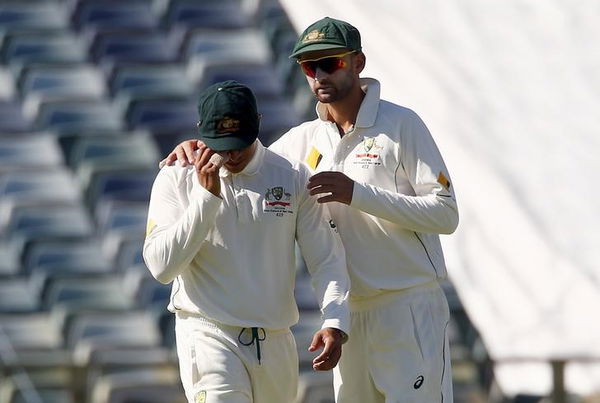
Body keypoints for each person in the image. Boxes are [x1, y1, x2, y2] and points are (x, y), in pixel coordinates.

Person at [161, 17, 459, 403]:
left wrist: (357, 193)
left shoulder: (401, 125)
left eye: (330, 63)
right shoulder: (302, 141)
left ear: (358, 63)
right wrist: (199, 144)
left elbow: (445, 214)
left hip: (407, 305)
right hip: (347, 318)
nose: (318, 74)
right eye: (308, 66)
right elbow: (247, 157)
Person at [143, 80, 350, 403]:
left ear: (258, 125)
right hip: (208, 330)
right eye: (222, 144)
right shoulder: (176, 176)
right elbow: (161, 266)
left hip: (275, 337)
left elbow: (326, 258)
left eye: (240, 141)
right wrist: (206, 199)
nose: (233, 153)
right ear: (202, 132)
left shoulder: (291, 176)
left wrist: (335, 320)